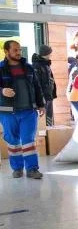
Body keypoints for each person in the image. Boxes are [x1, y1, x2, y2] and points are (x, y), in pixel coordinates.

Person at [0, 40, 45, 179]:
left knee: (28, 140)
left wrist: (41, 104)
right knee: (13, 141)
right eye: (15, 50)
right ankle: (17, 168)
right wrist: (2, 91)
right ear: (6, 51)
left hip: (28, 111)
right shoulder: (0, 68)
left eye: (19, 49)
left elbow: (36, 86)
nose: (18, 52)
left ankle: (32, 169)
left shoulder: (28, 67)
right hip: (8, 112)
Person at [32, 46, 57, 126]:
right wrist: (41, 97)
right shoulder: (37, 65)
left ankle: (49, 129)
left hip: (48, 95)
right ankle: (44, 130)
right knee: (43, 118)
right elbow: (37, 83)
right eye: (50, 53)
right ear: (46, 54)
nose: (51, 55)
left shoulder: (46, 64)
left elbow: (50, 79)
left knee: (49, 117)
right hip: (43, 97)